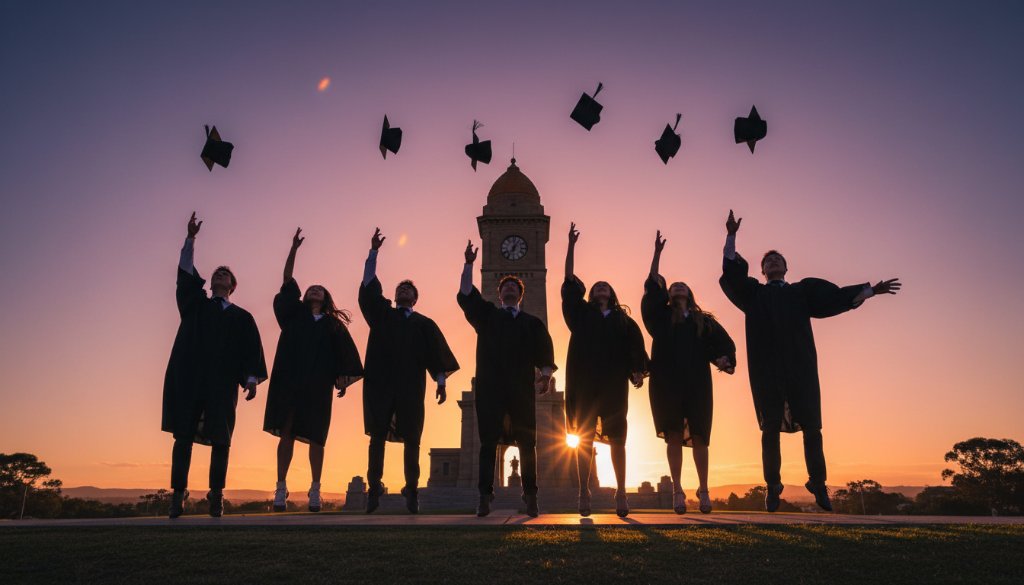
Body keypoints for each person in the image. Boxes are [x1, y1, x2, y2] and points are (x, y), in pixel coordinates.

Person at [719, 210, 901, 512]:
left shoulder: (802, 292)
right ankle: (773, 485)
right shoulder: (753, 294)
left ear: (786, 267)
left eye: (778, 259)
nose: (773, 262)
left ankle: (818, 483)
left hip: (801, 365)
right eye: (768, 261)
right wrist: (731, 235)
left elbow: (835, 298)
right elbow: (732, 275)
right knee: (770, 428)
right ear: (763, 271)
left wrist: (870, 291)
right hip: (766, 368)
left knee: (813, 428)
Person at [162, 212, 267, 518]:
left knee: (222, 437)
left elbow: (252, 350)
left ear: (232, 286)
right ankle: (178, 495)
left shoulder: (243, 317)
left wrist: (249, 379)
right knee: (183, 435)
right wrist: (190, 239)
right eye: (217, 272)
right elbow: (183, 273)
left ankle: (216, 494)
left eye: (226, 274)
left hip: (222, 383)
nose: (220, 274)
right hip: (190, 376)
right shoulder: (195, 306)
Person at [360, 228, 459, 514]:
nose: (403, 291)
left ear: (415, 299)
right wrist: (373, 253)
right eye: (400, 289)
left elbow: (436, 353)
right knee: (377, 436)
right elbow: (369, 288)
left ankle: (412, 490)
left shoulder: (424, 324)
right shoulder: (382, 315)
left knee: (413, 438)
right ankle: (373, 488)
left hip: (411, 386)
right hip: (380, 383)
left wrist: (440, 382)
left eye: (408, 290)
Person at [264, 228, 363, 512]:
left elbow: (345, 355)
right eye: (311, 288)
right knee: (286, 432)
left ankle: (315, 490)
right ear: (304, 296)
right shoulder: (293, 315)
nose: (314, 289)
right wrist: (293, 249)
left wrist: (342, 378)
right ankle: (281, 488)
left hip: (318, 384)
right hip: (290, 380)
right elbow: (286, 280)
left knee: (317, 436)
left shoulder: (333, 324)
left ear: (326, 296)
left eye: (320, 289)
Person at [457, 240, 556, 518]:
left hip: (522, 390)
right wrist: (468, 264)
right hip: (490, 389)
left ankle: (531, 495)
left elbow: (544, 351)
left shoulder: (532, 323)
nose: (510, 288)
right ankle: (484, 496)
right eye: (505, 287)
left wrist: (546, 376)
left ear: (520, 295)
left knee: (528, 443)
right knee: (488, 443)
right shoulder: (487, 316)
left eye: (514, 286)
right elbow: (467, 294)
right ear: (499, 295)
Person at [642, 230, 736, 514]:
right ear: (669, 295)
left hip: (697, 383)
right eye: (674, 287)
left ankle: (704, 490)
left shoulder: (702, 320)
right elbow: (652, 289)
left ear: (690, 294)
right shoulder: (660, 319)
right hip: (666, 383)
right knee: (672, 435)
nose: (678, 288)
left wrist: (723, 360)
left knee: (700, 437)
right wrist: (656, 255)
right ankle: (678, 491)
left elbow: (721, 345)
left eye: (682, 286)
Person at [561, 223, 648, 517]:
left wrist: (637, 371)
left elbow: (635, 346)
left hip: (612, 383)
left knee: (618, 438)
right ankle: (583, 491)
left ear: (612, 293)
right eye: (596, 286)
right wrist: (571, 246)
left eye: (605, 286)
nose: (600, 287)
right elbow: (569, 281)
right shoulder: (581, 314)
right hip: (584, 382)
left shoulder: (623, 319)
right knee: (583, 437)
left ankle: (621, 492)